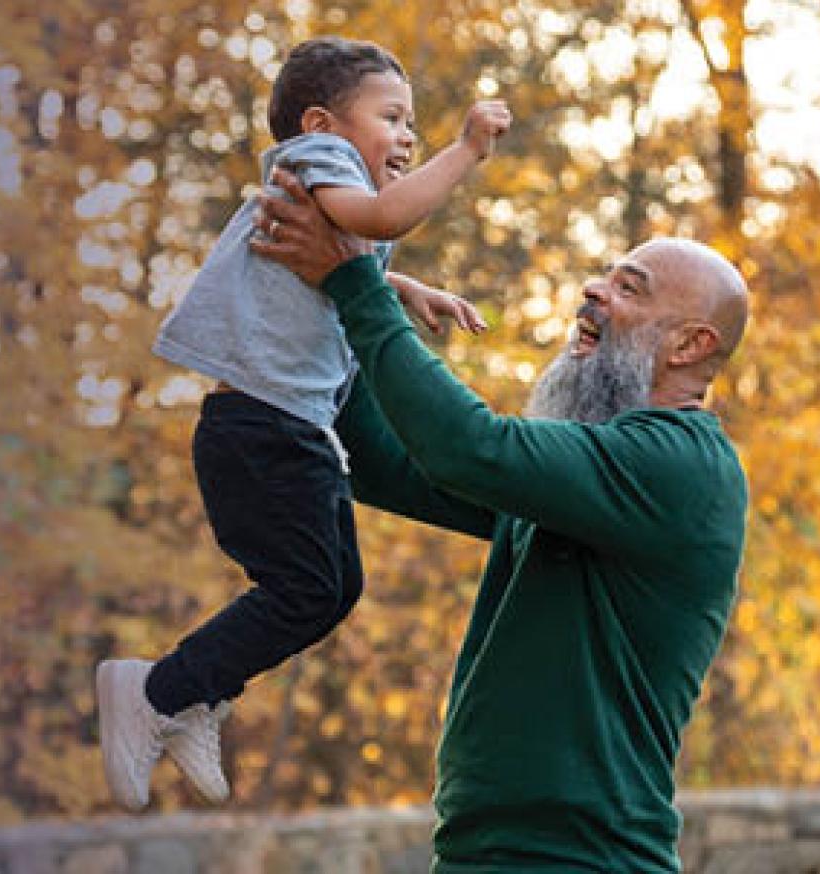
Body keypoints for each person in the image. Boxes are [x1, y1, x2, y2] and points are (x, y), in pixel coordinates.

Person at [250, 167, 751, 872]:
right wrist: (322, 310)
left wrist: (357, 285)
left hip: (582, 862)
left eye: (629, 288)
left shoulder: (680, 468)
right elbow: (387, 462)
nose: (594, 290)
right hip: (481, 853)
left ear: (690, 346)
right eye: (606, 276)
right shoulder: (585, 479)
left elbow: (468, 448)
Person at [96, 36, 510, 812]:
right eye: (393, 117)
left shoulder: (329, 184)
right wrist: (464, 151)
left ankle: (194, 694)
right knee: (310, 588)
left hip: (282, 429)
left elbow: (344, 253)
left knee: (333, 586)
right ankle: (157, 690)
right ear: (321, 122)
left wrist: (405, 288)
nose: (409, 136)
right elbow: (381, 218)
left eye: (415, 123)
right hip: (263, 429)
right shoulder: (318, 158)